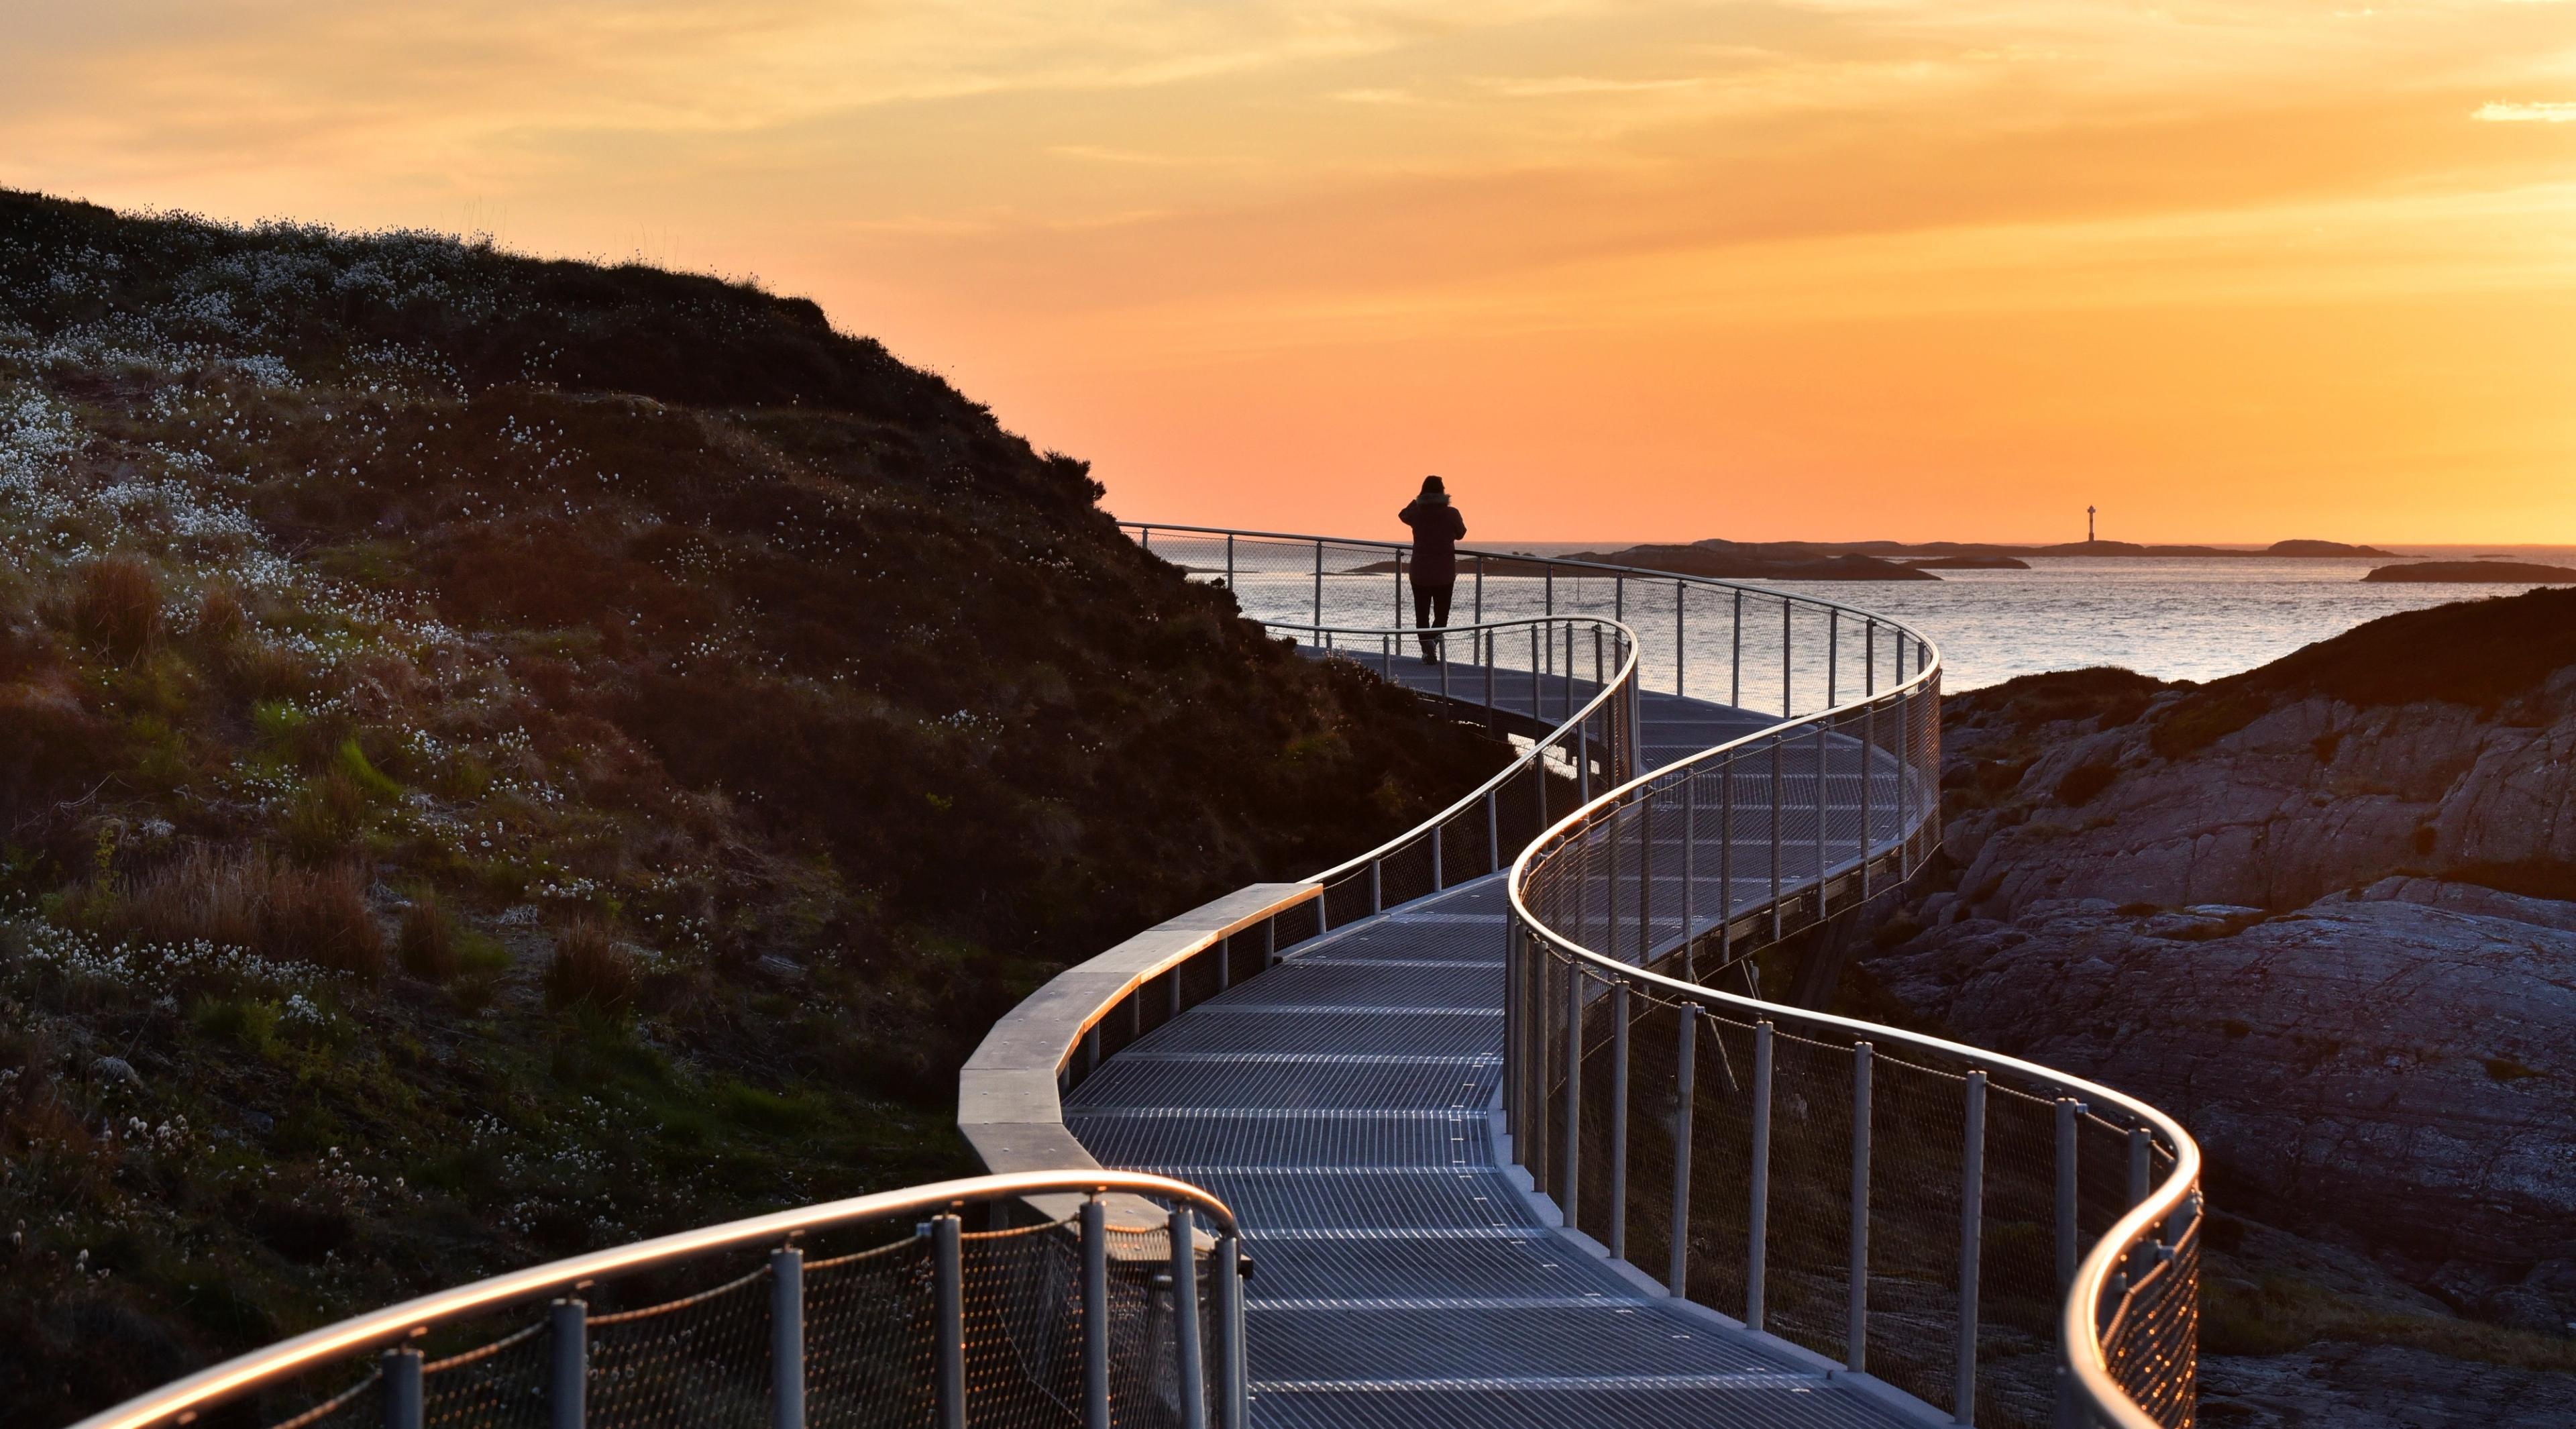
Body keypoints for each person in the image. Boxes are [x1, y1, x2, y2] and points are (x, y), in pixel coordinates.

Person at [1397, 475, 1466, 663]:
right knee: (1442, 614)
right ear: (1443, 491)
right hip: (1444, 573)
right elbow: (1461, 533)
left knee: (1422, 614)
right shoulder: (1451, 513)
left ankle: (1427, 650)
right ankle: (1432, 645)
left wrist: (1417, 499)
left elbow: (1403, 514)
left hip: (1420, 572)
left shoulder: (1417, 513)